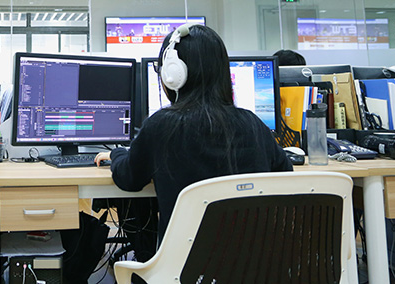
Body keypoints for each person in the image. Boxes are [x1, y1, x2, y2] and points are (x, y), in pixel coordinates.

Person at [95, 24, 292, 246]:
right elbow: (285, 172)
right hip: (251, 261)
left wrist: (118, 155)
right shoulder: (253, 123)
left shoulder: (161, 126)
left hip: (185, 263)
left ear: (172, 74)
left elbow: (129, 179)